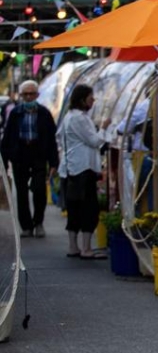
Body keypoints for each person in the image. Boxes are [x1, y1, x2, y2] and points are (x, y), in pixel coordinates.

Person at [57, 84, 110, 258]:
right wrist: (104, 127)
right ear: (82, 100)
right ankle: (86, 248)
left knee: (74, 207)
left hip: (73, 167)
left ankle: (74, 246)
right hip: (83, 168)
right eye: (90, 98)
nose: (93, 100)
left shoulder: (69, 117)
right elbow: (95, 141)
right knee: (89, 207)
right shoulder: (79, 118)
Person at [0, 80, 59, 238]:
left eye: (31, 93)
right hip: (20, 155)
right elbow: (7, 138)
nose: (28, 97)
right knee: (21, 192)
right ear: (21, 95)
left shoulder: (44, 113)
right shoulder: (16, 113)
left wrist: (54, 161)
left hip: (39, 154)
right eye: (25, 94)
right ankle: (26, 226)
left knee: (39, 189)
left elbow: (52, 139)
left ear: (37, 95)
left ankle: (38, 222)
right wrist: (4, 162)